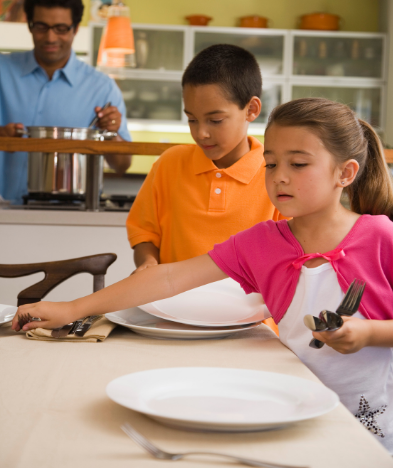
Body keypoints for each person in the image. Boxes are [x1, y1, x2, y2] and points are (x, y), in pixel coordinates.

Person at [12, 97, 393, 451]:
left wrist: (369, 333)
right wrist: (73, 308)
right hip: (292, 409)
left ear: (345, 173)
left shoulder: (380, 236)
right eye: (272, 163)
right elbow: (166, 279)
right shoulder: (260, 243)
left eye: (298, 164)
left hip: (373, 422)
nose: (279, 177)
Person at [126, 43, 284, 332]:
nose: (201, 132)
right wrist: (147, 262)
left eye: (215, 120)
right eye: (192, 119)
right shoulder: (169, 164)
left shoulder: (277, 175)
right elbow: (144, 232)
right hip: (170, 318)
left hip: (251, 328)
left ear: (251, 109)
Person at [0, 0, 131, 203]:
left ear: (75, 28)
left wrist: (112, 134)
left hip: (71, 216)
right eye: (41, 27)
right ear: (30, 24)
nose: (50, 37)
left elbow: (121, 166)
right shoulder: (2, 71)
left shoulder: (101, 87)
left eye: (61, 29)